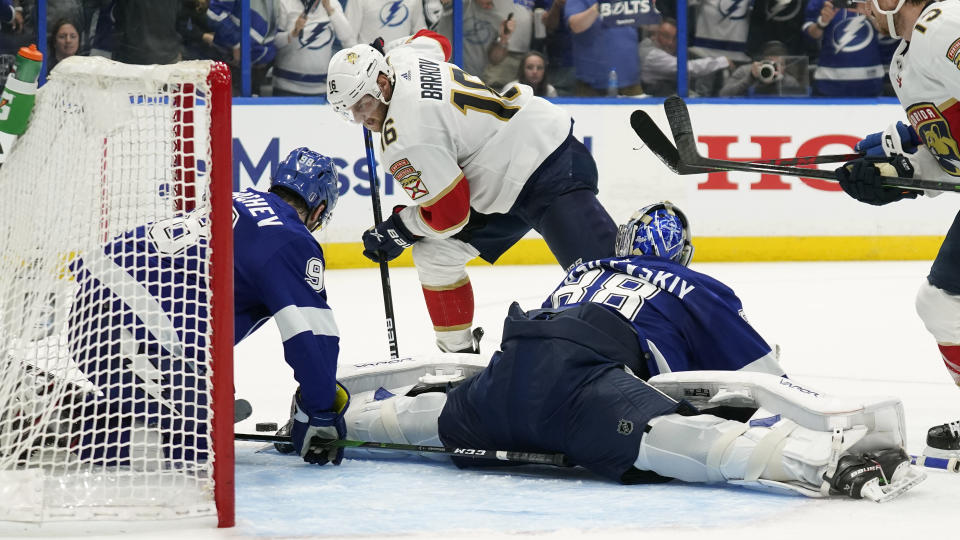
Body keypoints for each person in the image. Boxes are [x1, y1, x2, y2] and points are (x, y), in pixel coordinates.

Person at [331, 202, 924, 501]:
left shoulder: (586, 266)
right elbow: (764, 385)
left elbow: (543, 358)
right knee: (691, 441)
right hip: (586, 391)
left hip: (520, 354)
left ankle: (336, 418)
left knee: (448, 414)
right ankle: (829, 469)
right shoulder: (695, 287)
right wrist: (827, 430)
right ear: (682, 254)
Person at [326, 31, 619, 354]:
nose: (361, 118)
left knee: (608, 281)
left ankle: (662, 341)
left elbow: (451, 215)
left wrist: (400, 228)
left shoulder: (405, 138)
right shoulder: (403, 59)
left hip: (547, 166)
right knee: (437, 254)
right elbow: (437, 41)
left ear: (382, 84)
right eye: (349, 112)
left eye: (363, 104)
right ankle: (459, 358)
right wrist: (390, 48)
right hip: (503, 183)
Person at [68, 147, 348, 467]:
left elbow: (190, 294)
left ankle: (92, 415)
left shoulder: (236, 197)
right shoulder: (291, 238)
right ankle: (79, 429)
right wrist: (320, 411)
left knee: (210, 402)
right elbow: (311, 336)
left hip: (90, 311)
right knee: (196, 442)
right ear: (319, 209)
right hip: (129, 330)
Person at [832, 0, 960, 459]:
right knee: (942, 305)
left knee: (944, 302)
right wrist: (897, 176)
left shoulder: (946, 24)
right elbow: (950, 157)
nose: (858, 7)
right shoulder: (903, 61)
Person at [803, 0, 884, 97]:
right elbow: (810, 34)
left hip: (871, 80)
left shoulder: (877, 1)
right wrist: (821, 23)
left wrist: (873, 16)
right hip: (828, 82)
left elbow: (890, 33)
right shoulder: (819, 2)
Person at [272, 0, 353, 96]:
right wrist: (292, 34)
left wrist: (330, 10)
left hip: (322, 89)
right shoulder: (284, 3)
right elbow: (274, 42)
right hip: (286, 88)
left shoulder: (332, 4)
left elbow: (347, 37)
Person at [639, 17, 732, 97]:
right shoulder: (652, 56)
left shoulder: (661, 48)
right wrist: (722, 62)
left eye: (675, 38)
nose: (670, 42)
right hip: (655, 104)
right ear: (656, 34)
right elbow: (688, 68)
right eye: (665, 36)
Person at [565, 0, 641, 96]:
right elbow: (576, 25)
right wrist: (601, 5)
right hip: (591, 82)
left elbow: (651, 26)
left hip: (630, 78)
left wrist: (654, 9)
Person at [718, 40, 806, 97]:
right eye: (770, 63)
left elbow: (798, 103)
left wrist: (780, 81)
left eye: (779, 64)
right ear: (761, 61)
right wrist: (751, 77)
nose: (774, 68)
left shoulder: (789, 81)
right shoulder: (745, 71)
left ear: (785, 66)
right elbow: (723, 94)